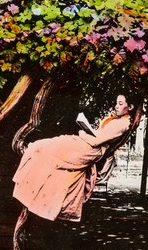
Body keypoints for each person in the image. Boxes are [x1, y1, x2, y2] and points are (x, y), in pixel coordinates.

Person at [12, 93, 139, 222]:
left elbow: (97, 141)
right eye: (117, 103)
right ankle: (27, 182)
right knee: (48, 144)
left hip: (91, 149)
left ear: (131, 107)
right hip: (88, 144)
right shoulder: (117, 120)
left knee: (47, 147)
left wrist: (82, 133)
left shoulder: (123, 124)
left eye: (121, 104)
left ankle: (28, 181)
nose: (117, 106)